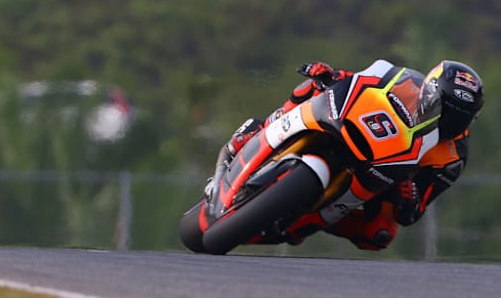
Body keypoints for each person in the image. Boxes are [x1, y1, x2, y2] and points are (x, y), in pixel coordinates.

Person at [205, 59, 485, 250]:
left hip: (386, 175)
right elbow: (366, 80)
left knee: (379, 235)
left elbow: (413, 212)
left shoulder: (452, 158)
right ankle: (258, 130)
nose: (448, 119)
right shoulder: (408, 85)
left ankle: (302, 222)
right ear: (429, 92)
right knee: (313, 85)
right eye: (442, 107)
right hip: (362, 130)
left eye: (459, 117)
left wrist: (408, 192)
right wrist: (334, 75)